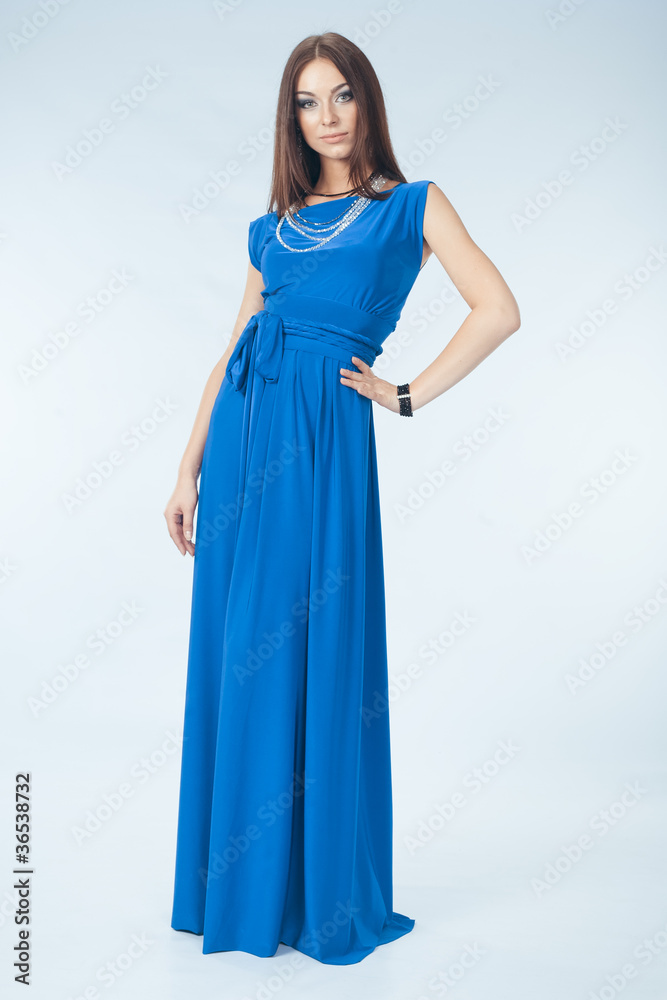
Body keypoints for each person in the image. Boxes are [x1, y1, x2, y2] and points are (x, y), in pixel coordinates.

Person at [165, 31, 520, 966]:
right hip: (244, 440)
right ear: (291, 118)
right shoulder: (270, 226)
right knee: (242, 650)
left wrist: (405, 394)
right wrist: (186, 464)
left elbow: (498, 308)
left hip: (321, 444)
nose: (325, 118)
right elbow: (233, 343)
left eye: (340, 97)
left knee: (307, 643)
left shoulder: (412, 206)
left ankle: (311, 891)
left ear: (367, 102)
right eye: (306, 103)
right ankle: (243, 889)